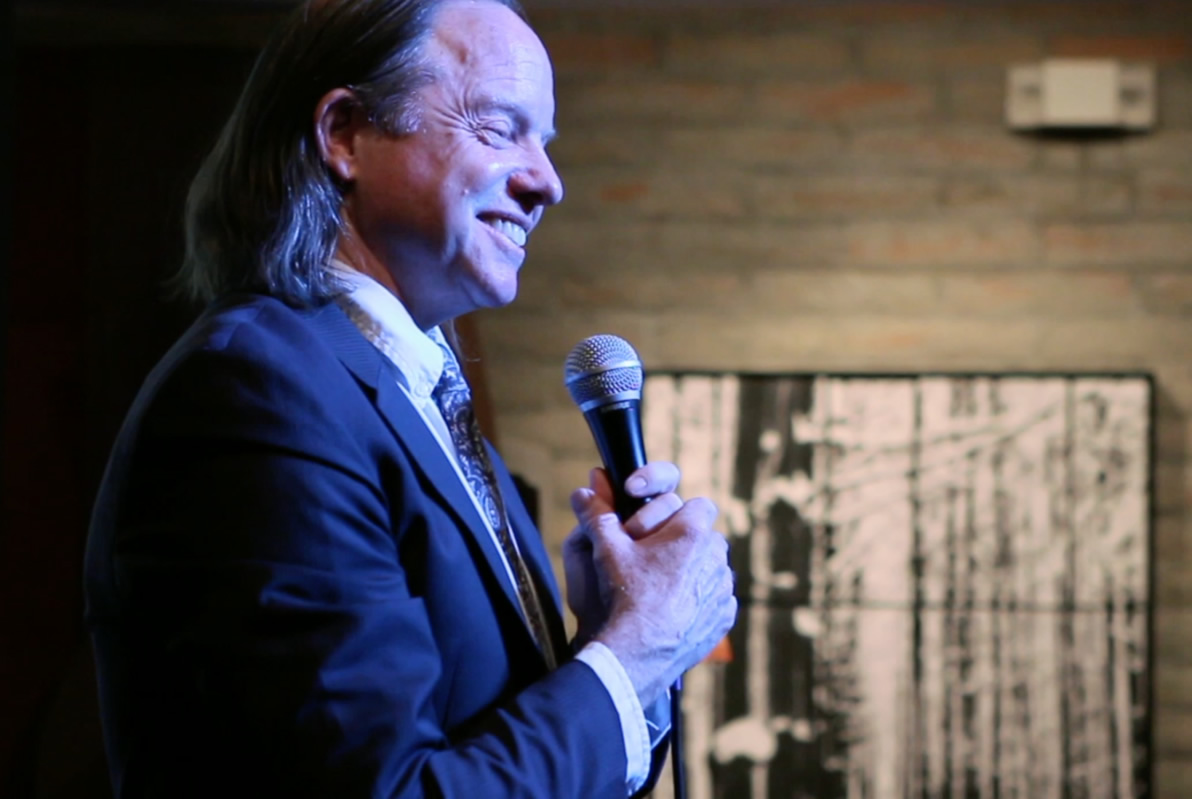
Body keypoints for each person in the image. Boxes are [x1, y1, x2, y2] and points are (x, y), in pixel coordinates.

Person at [84, 0, 737, 796]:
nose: (548, 182)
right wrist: (635, 654)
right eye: (499, 128)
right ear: (344, 134)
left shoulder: (424, 406)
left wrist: (612, 634)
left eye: (546, 141)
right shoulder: (259, 393)